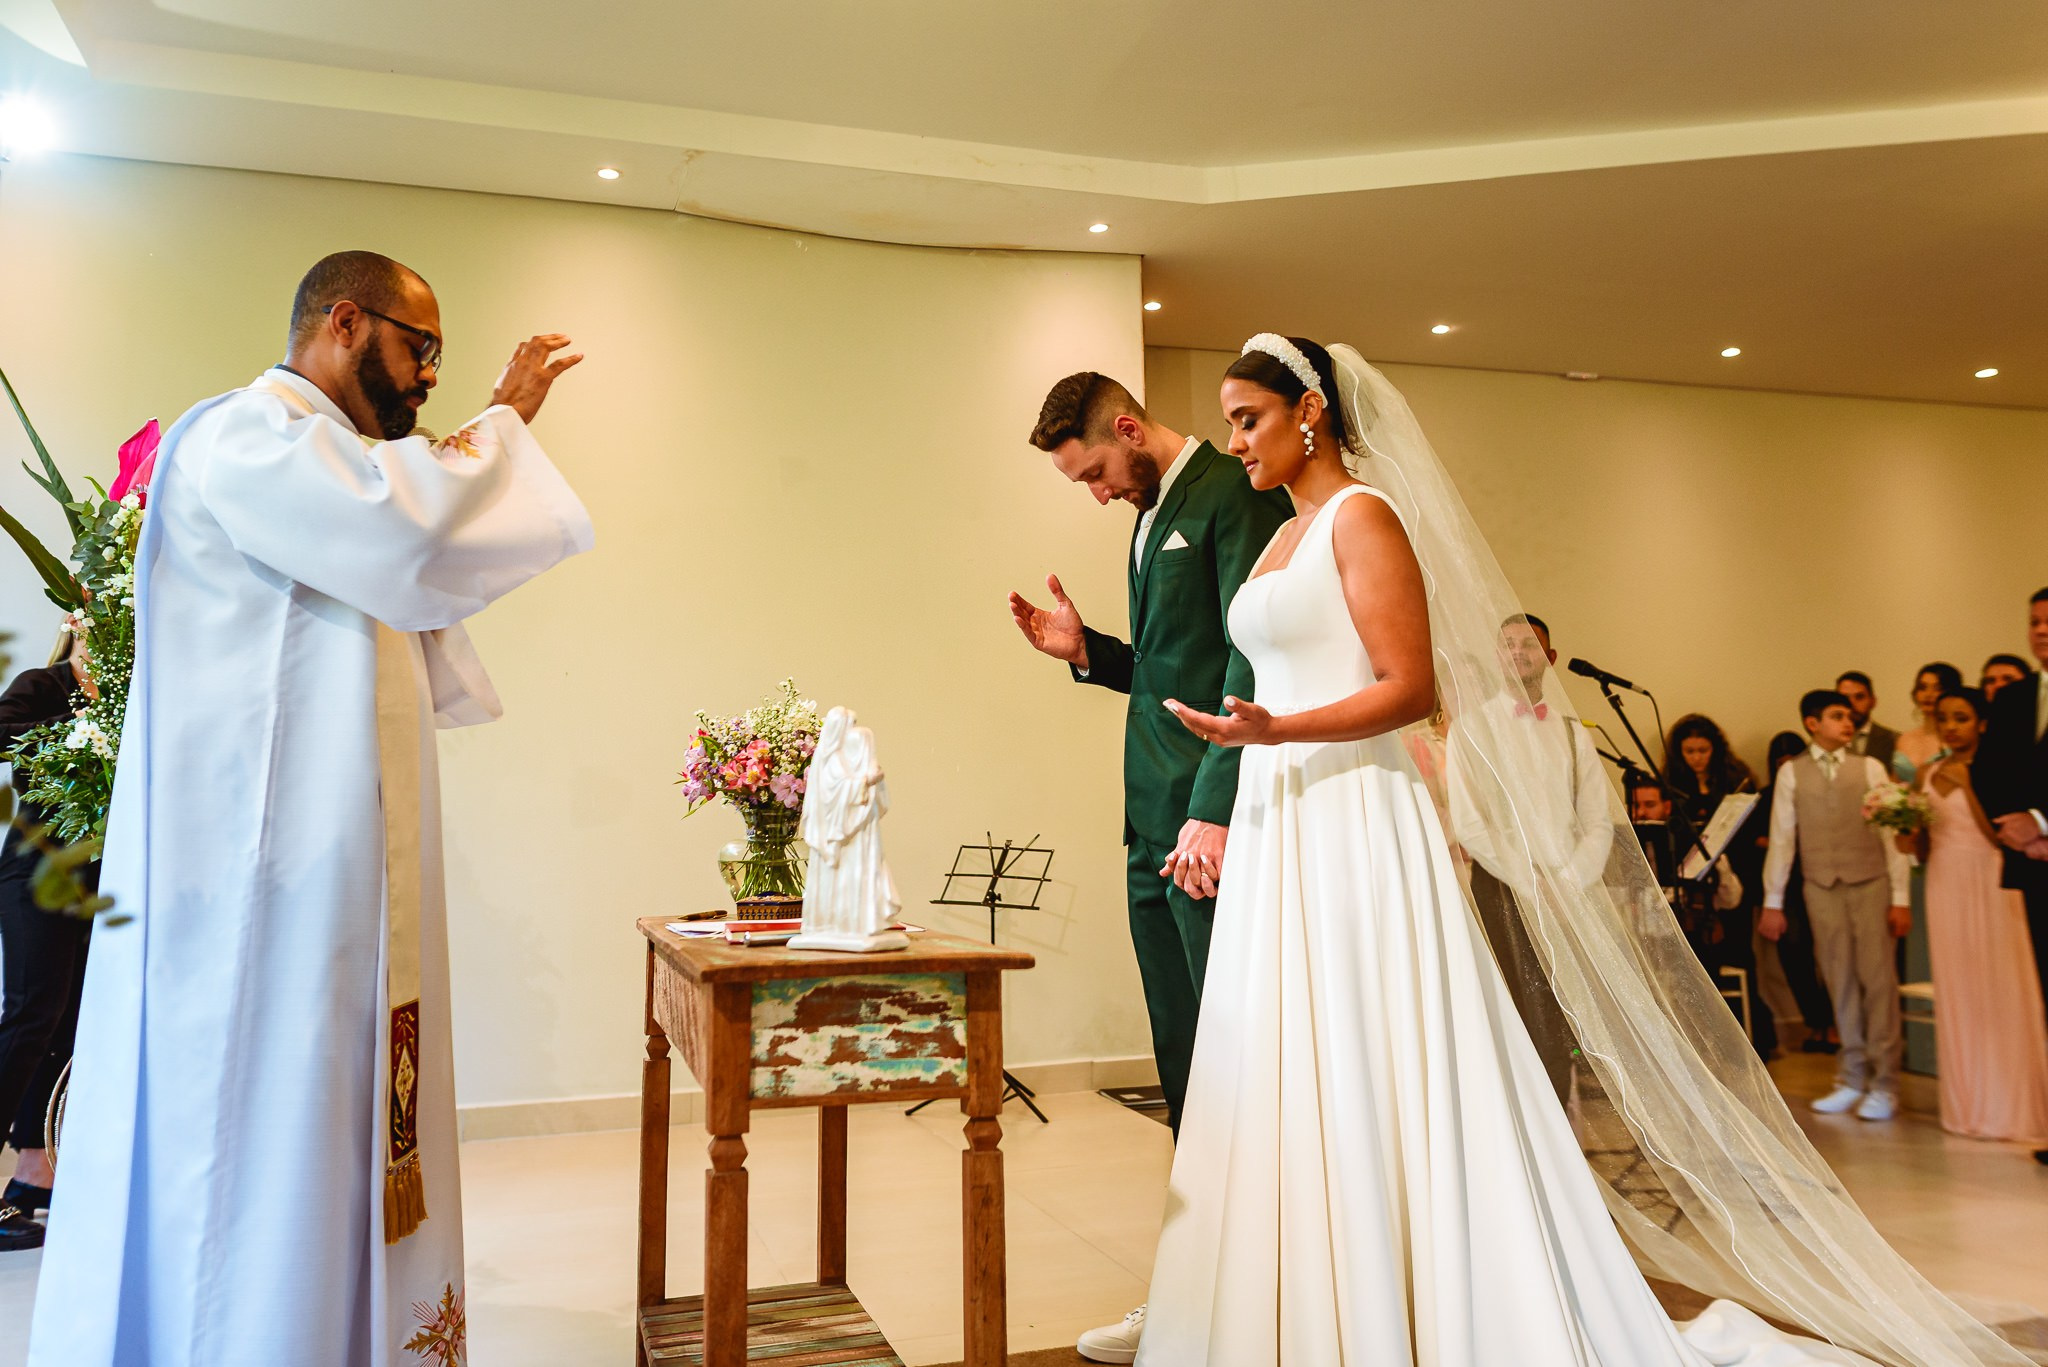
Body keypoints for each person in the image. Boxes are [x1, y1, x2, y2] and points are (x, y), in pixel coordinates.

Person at [1131, 335, 2020, 1367]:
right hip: (1283, 814)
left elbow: (1410, 685)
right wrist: (1246, 757)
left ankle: (1396, 1295)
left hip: (1349, 815)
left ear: (1311, 411)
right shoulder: (1277, 541)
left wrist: (1277, 731)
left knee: (1365, 1042)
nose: (1235, 440)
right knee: (1283, 1048)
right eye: (1231, 421)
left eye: (1249, 418)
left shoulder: (1360, 517)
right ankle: (1292, 1298)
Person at [28, 251, 592, 1367]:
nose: (430, 374)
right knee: (265, 1133)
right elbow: (415, 534)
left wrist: (477, 442)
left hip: (329, 886)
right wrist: (503, 420)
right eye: (418, 347)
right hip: (258, 892)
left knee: (333, 1134)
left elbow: (409, 568)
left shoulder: (331, 466)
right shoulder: (243, 434)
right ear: (345, 321)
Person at [1010, 373, 1290, 1365]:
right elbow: (1175, 664)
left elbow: (1249, 664)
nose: (1096, 493)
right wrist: (1089, 650)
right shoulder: (1148, 514)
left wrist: (1212, 809)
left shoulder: (1232, 493)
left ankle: (1257, 1291)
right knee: (1181, 1062)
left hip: (1206, 827)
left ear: (1125, 428)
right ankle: (1193, 1283)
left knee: (1229, 1061)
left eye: (1094, 471)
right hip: (1148, 820)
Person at [1449, 612, 1612, 1103]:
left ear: (1550, 658)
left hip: (1568, 892)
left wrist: (1568, 881)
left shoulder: (1572, 731)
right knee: (1516, 1012)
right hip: (1502, 888)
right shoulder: (1471, 730)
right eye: (1508, 644)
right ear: (1497, 656)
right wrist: (1529, 881)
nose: (1518, 651)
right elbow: (1470, 824)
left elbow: (1598, 820)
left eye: (1530, 644)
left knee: (1562, 1018)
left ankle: (1561, 1127)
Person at [1760, 690, 1912, 1122]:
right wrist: (1773, 900)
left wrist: (1900, 898)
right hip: (1820, 887)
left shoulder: (1870, 767)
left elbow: (1890, 834)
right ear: (1813, 723)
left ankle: (1885, 1083)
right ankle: (1850, 1077)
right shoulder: (1792, 773)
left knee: (1878, 982)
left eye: (1850, 717)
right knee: (1839, 980)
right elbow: (1784, 840)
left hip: (1870, 884)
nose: (1848, 723)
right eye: (1837, 716)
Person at [1911, 688, 2048, 1145]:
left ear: (1983, 724)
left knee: (2004, 988)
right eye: (1944, 718)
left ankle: (2011, 1108)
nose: (1951, 726)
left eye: (1962, 718)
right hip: (1943, 885)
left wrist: (1968, 780)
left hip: (1990, 883)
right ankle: (1967, 1106)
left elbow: (2001, 836)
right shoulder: (1926, 773)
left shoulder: (1998, 772)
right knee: (1959, 989)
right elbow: (1919, 848)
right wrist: (1901, 824)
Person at [0, 630, 99, 1252]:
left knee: (65, 1023)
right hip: (36, 875)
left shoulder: (136, 691)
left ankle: (33, 1173)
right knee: (31, 1016)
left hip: (93, 883)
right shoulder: (46, 685)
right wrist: (69, 739)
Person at [1971, 588, 2048, 1164]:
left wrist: (2042, 822)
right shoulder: (2018, 696)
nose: (2041, 631)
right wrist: (2014, 828)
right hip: (2034, 867)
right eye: (2034, 622)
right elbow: (1989, 770)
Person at [1626, 773, 1767, 1052]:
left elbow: (1732, 899)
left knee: (1695, 963)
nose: (1641, 813)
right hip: (1643, 941)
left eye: (1650, 805)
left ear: (1667, 807)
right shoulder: (1625, 846)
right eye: (1636, 806)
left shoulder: (1692, 842)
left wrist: (1712, 875)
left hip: (1693, 941)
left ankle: (1705, 1050)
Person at [1751, 730, 1836, 1054]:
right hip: (1784, 889)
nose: (1786, 768)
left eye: (1792, 762)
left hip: (1817, 880)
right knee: (1794, 957)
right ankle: (1814, 1023)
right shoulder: (1765, 796)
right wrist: (1780, 842)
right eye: (1780, 763)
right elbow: (1755, 839)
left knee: (1829, 956)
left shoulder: (1820, 792)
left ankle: (1832, 1026)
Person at [1663, 713, 1754, 841]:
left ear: (1715, 749)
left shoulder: (1735, 777)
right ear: (1679, 751)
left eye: (1703, 750)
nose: (1697, 758)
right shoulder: (1670, 780)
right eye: (1689, 751)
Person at [1894, 662, 1964, 785]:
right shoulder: (1904, 738)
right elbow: (1895, 782)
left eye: (1937, 688)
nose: (1928, 694)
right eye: (1922, 687)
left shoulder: (1956, 738)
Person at [1836, 671, 1899, 769]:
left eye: (1859, 697)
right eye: (1844, 698)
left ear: (1873, 701)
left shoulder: (1895, 740)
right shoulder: (1826, 741)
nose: (1851, 704)